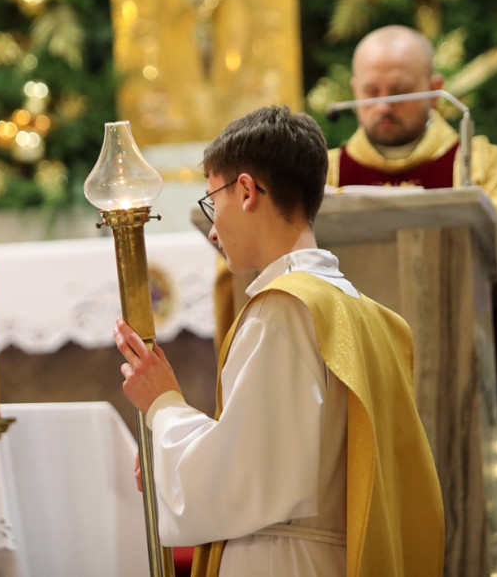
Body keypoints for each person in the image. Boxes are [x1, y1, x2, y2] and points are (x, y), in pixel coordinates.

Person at [113, 105, 445, 577]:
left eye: (213, 200)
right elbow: (281, 451)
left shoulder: (285, 308)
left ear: (246, 190)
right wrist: (174, 463)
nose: (212, 228)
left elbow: (248, 480)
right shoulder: (365, 313)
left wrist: (163, 406)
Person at [328, 24, 497, 577]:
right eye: (370, 91)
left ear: (435, 90)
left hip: (465, 367)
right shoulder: (327, 172)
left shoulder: (478, 163)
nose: (383, 105)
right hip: (357, 374)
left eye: (399, 91)